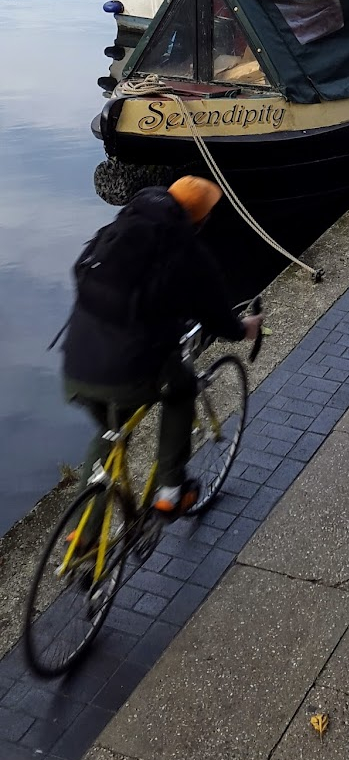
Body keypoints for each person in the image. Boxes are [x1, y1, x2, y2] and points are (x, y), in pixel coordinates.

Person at [63, 176, 261, 517]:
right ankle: (171, 490)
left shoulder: (118, 233)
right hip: (126, 373)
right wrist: (244, 328)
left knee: (111, 432)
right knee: (181, 388)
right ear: (199, 219)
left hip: (75, 366)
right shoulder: (186, 251)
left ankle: (82, 537)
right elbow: (217, 316)